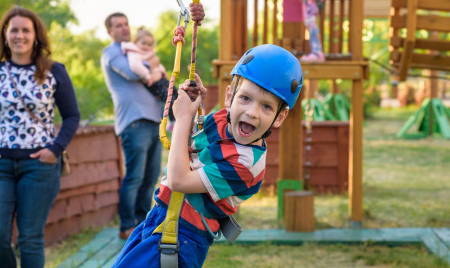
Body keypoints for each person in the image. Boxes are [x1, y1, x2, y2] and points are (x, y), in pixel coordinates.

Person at [110, 44, 304, 267]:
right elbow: (193, 139)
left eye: (267, 107)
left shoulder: (246, 165)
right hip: (159, 218)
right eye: (245, 98)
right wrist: (194, 107)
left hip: (182, 238)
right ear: (229, 96)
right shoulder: (222, 119)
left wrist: (182, 119)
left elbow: (179, 180)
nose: (252, 112)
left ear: (280, 117)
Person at [0, 6, 80, 268]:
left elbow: (72, 115)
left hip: (40, 165)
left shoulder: (54, 71)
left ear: (36, 35)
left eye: (26, 30)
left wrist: (55, 149)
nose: (20, 35)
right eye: (13, 29)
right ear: (5, 34)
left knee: (29, 238)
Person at [101, 13, 164, 240]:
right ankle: (126, 226)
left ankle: (141, 223)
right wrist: (154, 63)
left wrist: (153, 65)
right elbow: (131, 72)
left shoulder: (135, 49)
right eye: (118, 26)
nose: (124, 28)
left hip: (154, 120)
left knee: (151, 176)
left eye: (126, 24)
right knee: (135, 177)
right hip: (133, 122)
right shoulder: (112, 52)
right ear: (109, 32)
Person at [121, 27, 170, 103]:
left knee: (175, 93)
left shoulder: (149, 53)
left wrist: (163, 72)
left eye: (149, 45)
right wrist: (147, 75)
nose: (146, 47)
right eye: (143, 43)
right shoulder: (134, 52)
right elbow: (135, 65)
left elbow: (157, 64)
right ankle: (175, 113)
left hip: (160, 78)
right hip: (152, 81)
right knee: (169, 100)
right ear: (135, 42)